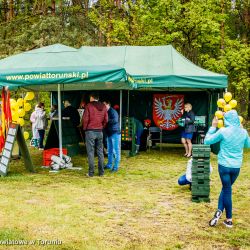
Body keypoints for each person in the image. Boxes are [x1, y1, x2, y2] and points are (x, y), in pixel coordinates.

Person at [204, 110, 250, 228]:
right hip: (236, 167)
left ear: (227, 120)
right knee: (226, 189)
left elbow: (207, 141)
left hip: (224, 166)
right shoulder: (243, 132)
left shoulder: (223, 131)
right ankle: (220, 211)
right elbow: (248, 145)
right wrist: (242, 129)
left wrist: (213, 127)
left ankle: (228, 219)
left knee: (226, 190)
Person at [83, 93, 108, 177]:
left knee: (90, 152)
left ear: (92, 98)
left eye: (90, 98)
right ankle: (101, 172)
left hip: (90, 131)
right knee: (100, 152)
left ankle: (91, 173)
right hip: (100, 131)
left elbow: (85, 118)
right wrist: (101, 127)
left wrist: (85, 128)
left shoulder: (88, 106)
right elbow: (106, 119)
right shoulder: (104, 106)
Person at [103, 100, 121, 172]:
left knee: (116, 151)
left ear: (108, 104)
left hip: (115, 133)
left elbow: (115, 120)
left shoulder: (113, 111)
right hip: (109, 133)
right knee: (109, 151)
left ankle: (115, 167)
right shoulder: (106, 112)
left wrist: (106, 120)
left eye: (104, 105)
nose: (103, 106)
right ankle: (109, 165)